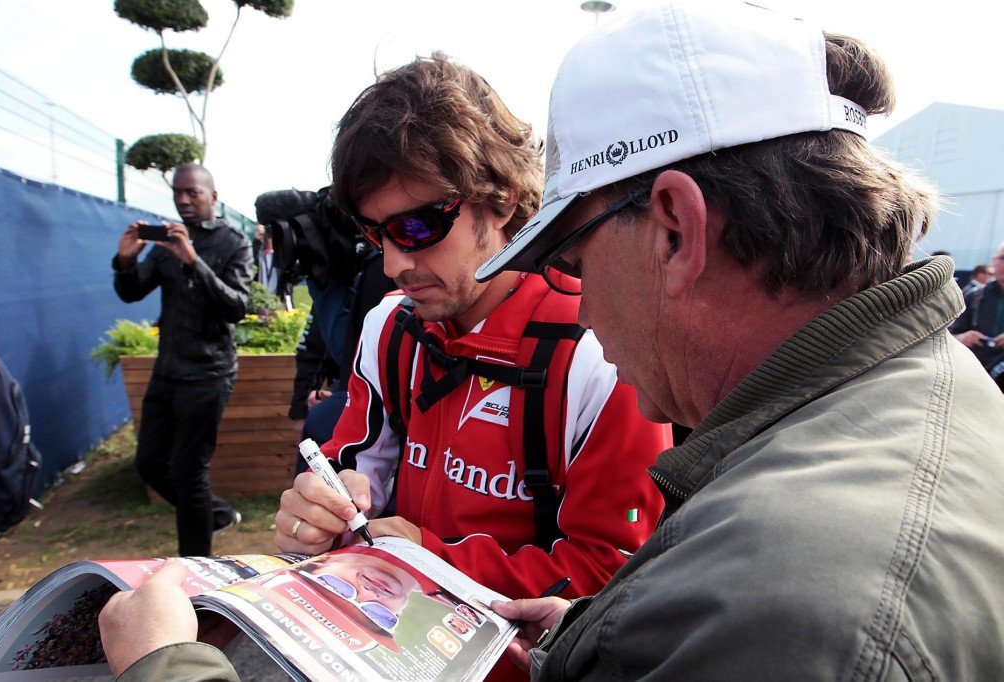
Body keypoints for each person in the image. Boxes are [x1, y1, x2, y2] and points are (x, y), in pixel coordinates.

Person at [476, 3, 1004, 679]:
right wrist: (608, 635)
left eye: (573, 262)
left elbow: (788, 617)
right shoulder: (923, 382)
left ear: (675, 229)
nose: (584, 312)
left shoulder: (778, 605)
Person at [98, 53, 667, 679]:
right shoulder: (391, 326)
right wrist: (319, 514)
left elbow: (611, 576)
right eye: (375, 235)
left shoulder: (596, 346)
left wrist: (425, 556)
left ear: (501, 200)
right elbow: (350, 480)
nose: (394, 264)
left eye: (418, 227)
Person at [112, 163, 252, 557]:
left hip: (208, 373)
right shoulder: (166, 242)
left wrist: (193, 261)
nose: (184, 199)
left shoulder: (233, 242)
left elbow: (237, 306)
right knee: (151, 463)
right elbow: (132, 292)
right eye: (178, 192)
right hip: (169, 368)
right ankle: (217, 513)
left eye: (193, 192)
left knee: (190, 472)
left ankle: (193, 568)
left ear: (213, 196)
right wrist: (125, 261)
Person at [951, 243, 1004, 387]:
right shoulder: (975, 295)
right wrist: (963, 337)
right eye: (1003, 258)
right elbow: (948, 336)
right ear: (994, 261)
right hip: (977, 376)